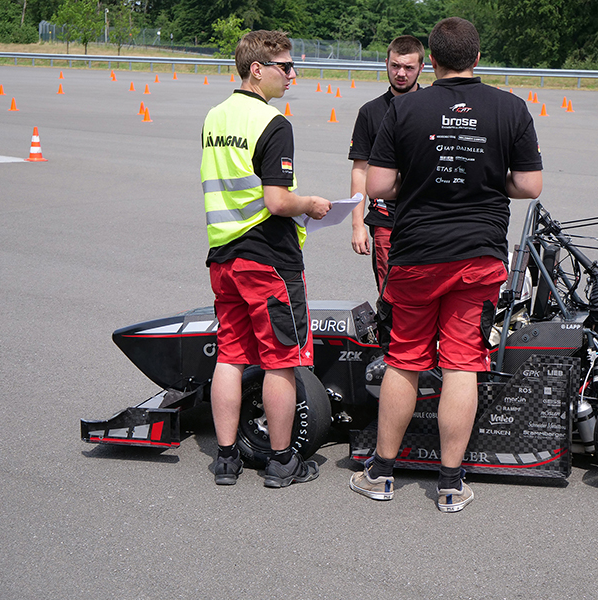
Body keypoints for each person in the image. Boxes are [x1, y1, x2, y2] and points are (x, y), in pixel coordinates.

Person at [349, 17, 543, 512]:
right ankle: (452, 483)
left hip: (416, 254)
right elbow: (529, 185)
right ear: (478, 58)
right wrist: (486, 180)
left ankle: (383, 474)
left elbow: (377, 185)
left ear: (430, 61)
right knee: (462, 364)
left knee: (405, 359)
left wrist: (418, 182)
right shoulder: (510, 107)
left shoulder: (406, 108)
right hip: (478, 254)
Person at [200, 30, 332, 486]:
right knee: (281, 360)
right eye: (285, 66)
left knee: (231, 357)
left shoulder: (215, 117)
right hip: (267, 258)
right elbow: (277, 200)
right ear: (257, 69)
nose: (292, 75)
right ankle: (281, 462)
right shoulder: (273, 123)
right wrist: (311, 204)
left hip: (223, 256)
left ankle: (225, 458)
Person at [348, 35, 425, 292]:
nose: (401, 73)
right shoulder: (370, 112)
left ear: (421, 68)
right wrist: (358, 225)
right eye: (395, 66)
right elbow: (360, 170)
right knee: (390, 296)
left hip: (427, 219)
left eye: (408, 67)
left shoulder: (433, 108)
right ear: (386, 64)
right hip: (385, 222)